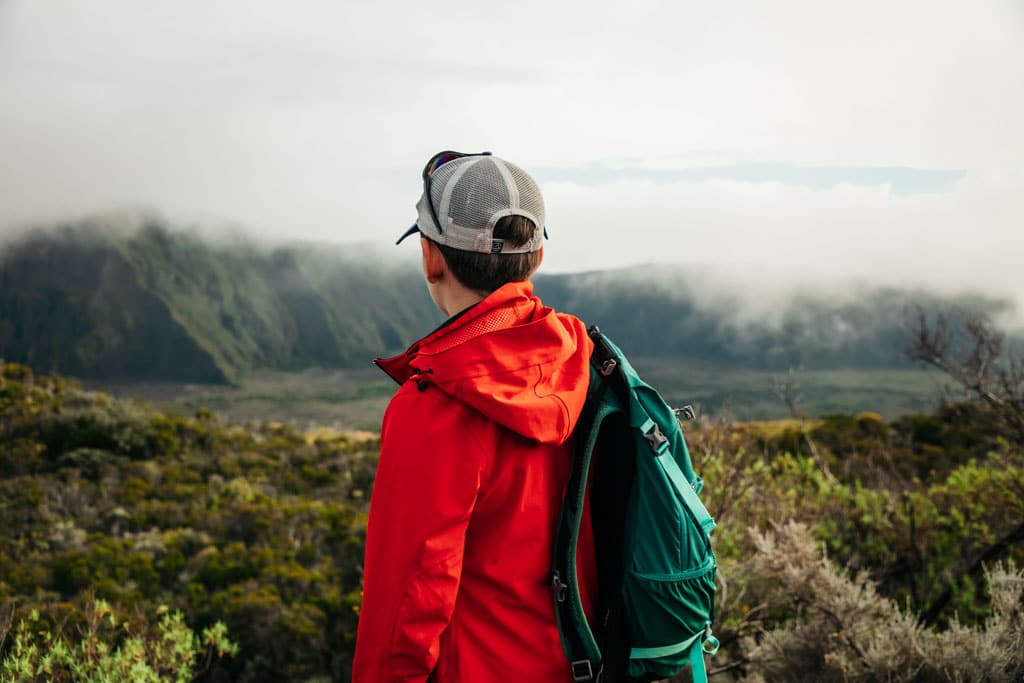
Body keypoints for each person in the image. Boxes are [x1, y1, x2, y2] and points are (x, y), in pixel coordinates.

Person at [353, 151, 597, 682]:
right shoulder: (581, 357)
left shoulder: (435, 408)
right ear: (534, 259)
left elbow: (405, 610)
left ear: (430, 259)